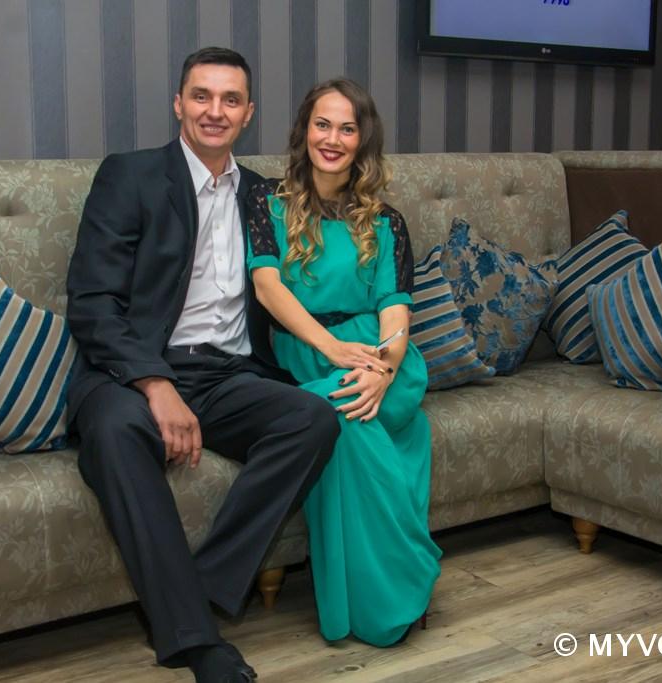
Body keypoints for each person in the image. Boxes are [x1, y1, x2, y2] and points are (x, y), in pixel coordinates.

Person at [65, 47, 339, 683]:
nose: (215, 111)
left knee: (313, 420)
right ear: (178, 104)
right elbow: (92, 303)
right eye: (201, 96)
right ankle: (196, 640)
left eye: (230, 100)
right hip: (132, 374)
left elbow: (313, 278)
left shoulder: (265, 196)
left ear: (248, 113)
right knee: (115, 432)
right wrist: (155, 383)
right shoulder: (130, 176)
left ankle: (200, 588)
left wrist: (368, 346)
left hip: (229, 377)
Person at [245, 78, 442, 647]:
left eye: (347, 128)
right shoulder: (267, 202)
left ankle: (394, 592)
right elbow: (268, 289)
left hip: (383, 356)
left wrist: (383, 369)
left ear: (363, 140)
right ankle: (401, 579)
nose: (332, 139)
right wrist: (331, 349)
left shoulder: (386, 220)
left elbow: (394, 311)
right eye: (322, 124)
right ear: (304, 131)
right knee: (342, 417)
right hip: (308, 350)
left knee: (351, 412)